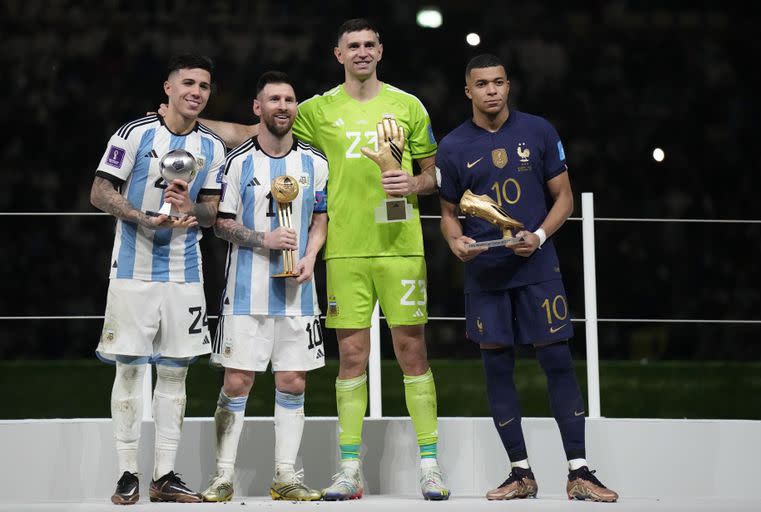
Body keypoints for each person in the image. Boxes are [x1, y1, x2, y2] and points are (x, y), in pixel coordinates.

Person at [190, 18, 450, 501]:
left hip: (401, 246)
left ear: (380, 50)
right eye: (353, 45)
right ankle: (350, 470)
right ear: (338, 54)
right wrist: (190, 120)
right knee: (350, 359)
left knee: (413, 353)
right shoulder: (316, 109)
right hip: (344, 251)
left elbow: (436, 174)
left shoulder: (408, 105)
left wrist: (414, 184)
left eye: (370, 44)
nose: (362, 52)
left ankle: (430, 467)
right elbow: (254, 130)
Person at [437, 54, 619, 503]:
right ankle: (520, 472)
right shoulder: (453, 146)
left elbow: (564, 198)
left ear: (508, 85)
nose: (492, 91)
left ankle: (579, 471)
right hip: (486, 272)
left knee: (557, 361)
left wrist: (537, 236)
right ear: (469, 91)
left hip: (537, 268)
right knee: (497, 369)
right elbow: (447, 214)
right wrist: (455, 241)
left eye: (498, 82)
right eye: (482, 84)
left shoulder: (539, 131)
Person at [91, 53, 226, 505]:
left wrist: (193, 211)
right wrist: (140, 217)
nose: (196, 92)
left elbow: (211, 211)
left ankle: (164, 474)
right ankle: (127, 472)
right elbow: (100, 191)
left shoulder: (213, 147)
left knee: (175, 372)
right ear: (168, 88)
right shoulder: (133, 134)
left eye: (204, 86)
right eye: (188, 83)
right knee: (130, 367)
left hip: (186, 273)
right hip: (133, 267)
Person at [199, 71, 329, 503]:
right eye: (273, 99)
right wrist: (264, 239)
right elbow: (221, 224)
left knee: (293, 381)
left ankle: (286, 476)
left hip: (299, 293)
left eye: (289, 99)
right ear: (258, 108)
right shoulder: (237, 162)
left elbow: (320, 218)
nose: (283, 106)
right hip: (245, 291)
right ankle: (222, 476)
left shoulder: (315, 162)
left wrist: (310, 256)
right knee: (238, 381)